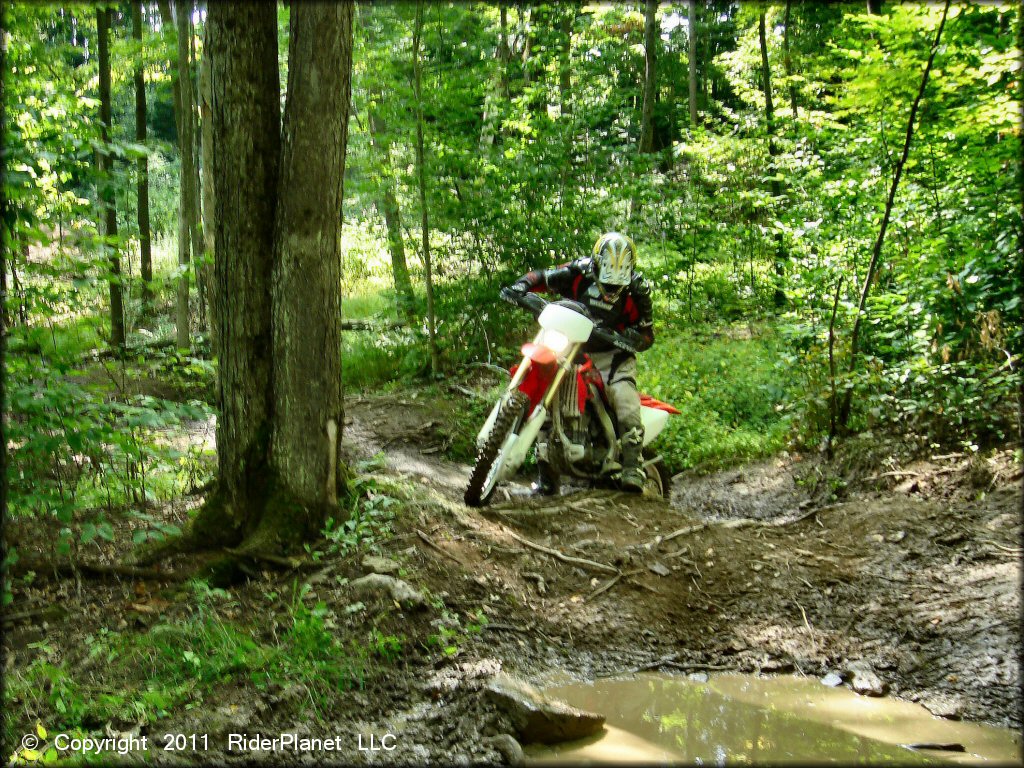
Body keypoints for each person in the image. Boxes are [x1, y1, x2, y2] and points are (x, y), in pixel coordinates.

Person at [506, 232, 654, 494]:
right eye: (606, 285)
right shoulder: (579, 272)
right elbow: (543, 276)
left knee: (624, 398)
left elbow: (647, 334)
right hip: (572, 346)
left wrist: (630, 337)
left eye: (615, 288)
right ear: (596, 266)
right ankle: (547, 478)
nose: (610, 293)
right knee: (548, 401)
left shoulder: (636, 291)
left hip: (613, 357)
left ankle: (633, 467)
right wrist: (521, 286)